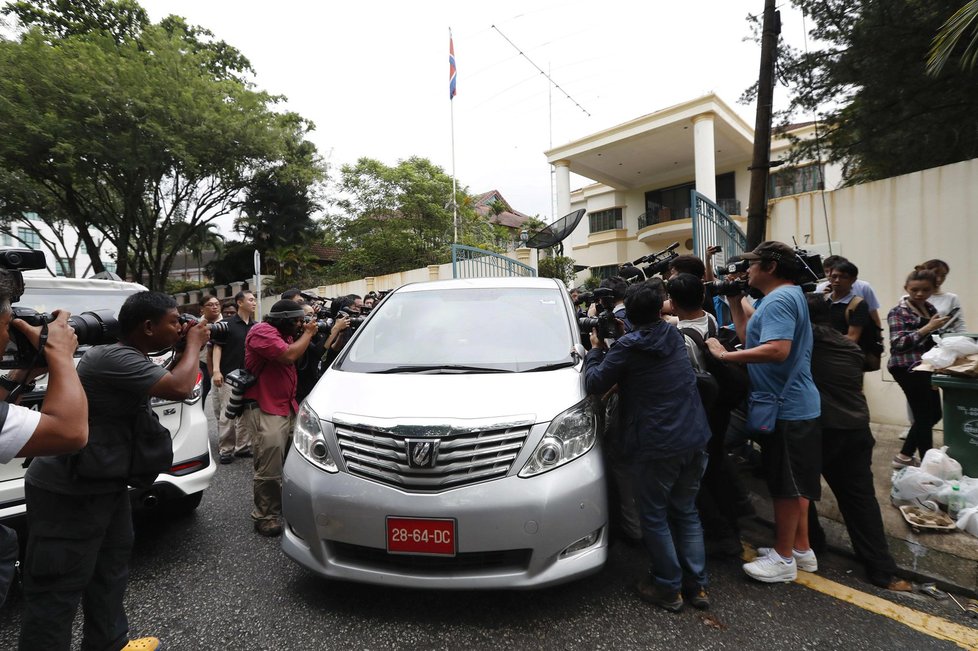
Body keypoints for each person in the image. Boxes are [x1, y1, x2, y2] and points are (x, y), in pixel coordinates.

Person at [19, 291, 209, 651]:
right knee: (57, 587)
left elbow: (163, 378)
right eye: (174, 321)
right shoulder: (111, 356)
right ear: (148, 327)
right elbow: (181, 387)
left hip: (105, 482)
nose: (181, 326)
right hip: (69, 490)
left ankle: (108, 643)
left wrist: (185, 344)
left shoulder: (128, 355)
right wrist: (196, 343)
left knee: (110, 571)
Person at [585, 279, 711, 612]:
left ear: (629, 317)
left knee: (654, 516)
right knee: (686, 512)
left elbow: (595, 383)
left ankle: (668, 587)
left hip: (657, 444)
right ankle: (697, 586)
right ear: (659, 310)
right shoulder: (673, 334)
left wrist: (597, 348)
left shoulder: (627, 347)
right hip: (694, 436)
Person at [705, 241, 821, 584]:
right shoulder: (781, 297)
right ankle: (801, 548)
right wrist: (733, 301)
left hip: (789, 407)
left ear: (770, 267)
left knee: (785, 487)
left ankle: (784, 560)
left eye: (753, 265)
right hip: (793, 404)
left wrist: (723, 356)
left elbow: (776, 350)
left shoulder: (781, 299)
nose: (747, 271)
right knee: (795, 484)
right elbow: (753, 338)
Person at [790, 294, 912, 592]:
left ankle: (813, 547)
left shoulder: (803, 341)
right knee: (860, 499)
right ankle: (882, 570)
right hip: (856, 428)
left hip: (821, 428)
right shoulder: (847, 344)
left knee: (800, 491)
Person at [667, 273, 743, 557]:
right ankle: (736, 516)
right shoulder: (711, 319)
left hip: (700, 410)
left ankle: (720, 532)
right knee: (718, 461)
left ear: (672, 303)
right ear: (702, 296)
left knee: (700, 472)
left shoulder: (678, 338)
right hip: (723, 404)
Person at [241, 299, 318, 537]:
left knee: (295, 463)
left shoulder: (285, 334)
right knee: (270, 466)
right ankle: (265, 515)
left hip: (287, 406)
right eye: (296, 320)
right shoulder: (261, 331)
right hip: (265, 407)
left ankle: (285, 506)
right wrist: (308, 334)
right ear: (283, 319)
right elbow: (288, 356)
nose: (300, 325)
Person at [889, 269, 950, 469]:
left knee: (934, 415)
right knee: (924, 417)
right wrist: (927, 328)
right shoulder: (898, 312)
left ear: (933, 290)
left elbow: (933, 340)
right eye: (915, 290)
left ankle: (905, 455)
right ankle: (927, 465)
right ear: (906, 289)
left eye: (925, 290)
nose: (919, 294)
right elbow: (898, 343)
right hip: (907, 368)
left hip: (928, 367)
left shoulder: (931, 309)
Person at [212, 290, 257, 464]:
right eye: (250, 300)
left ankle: (243, 447)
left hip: (249, 377)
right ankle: (226, 450)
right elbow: (217, 348)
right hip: (229, 376)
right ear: (240, 302)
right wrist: (216, 370)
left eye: (254, 300)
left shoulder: (256, 326)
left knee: (246, 413)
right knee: (228, 413)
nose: (254, 303)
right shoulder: (226, 324)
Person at [816, 255, 882, 328]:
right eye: (827, 272)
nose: (829, 275)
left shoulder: (864, 287)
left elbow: (873, 314)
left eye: (842, 276)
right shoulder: (820, 289)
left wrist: (879, 336)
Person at [916, 259, 967, 333]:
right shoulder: (910, 298)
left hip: (946, 341)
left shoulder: (952, 298)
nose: (939, 279)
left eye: (943, 275)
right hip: (919, 340)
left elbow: (959, 325)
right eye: (935, 274)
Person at [198, 294, 223, 416]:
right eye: (210, 305)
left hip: (222, 367)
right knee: (200, 398)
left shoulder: (226, 324)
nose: (215, 307)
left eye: (217, 304)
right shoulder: (197, 326)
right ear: (202, 309)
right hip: (202, 365)